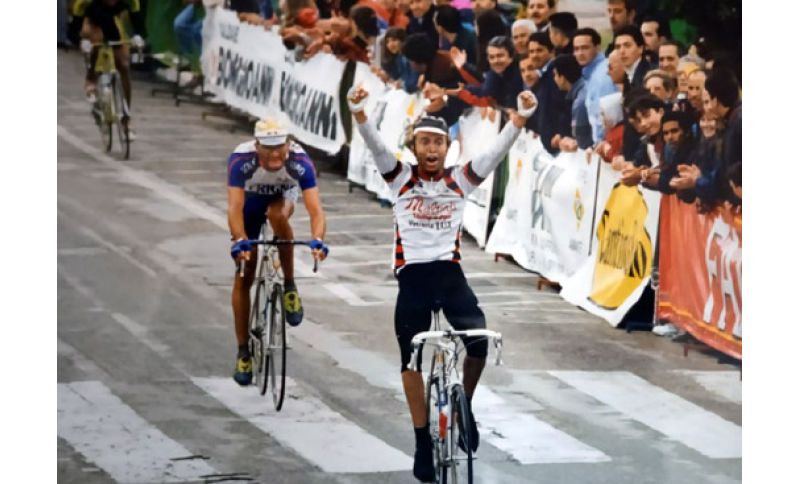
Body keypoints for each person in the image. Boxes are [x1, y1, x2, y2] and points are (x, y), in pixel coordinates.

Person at [347, 84, 538, 483]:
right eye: (424, 142)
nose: (431, 149)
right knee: (410, 358)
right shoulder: (399, 177)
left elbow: (495, 153)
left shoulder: (460, 180)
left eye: (438, 143)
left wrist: (519, 119)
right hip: (413, 277)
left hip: (449, 275)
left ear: (448, 148)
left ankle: (464, 405)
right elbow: (376, 145)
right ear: (414, 147)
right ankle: (422, 441)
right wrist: (359, 113)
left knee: (478, 341)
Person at [227, 119, 329, 386]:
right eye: (268, 147)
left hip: (282, 197)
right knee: (245, 274)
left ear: (289, 144)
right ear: (256, 146)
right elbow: (234, 208)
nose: (274, 154)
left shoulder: (299, 162)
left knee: (277, 215)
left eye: (279, 147)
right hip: (250, 203)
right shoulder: (241, 160)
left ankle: (290, 286)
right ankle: (243, 352)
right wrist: (240, 239)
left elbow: (316, 210)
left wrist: (318, 240)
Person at [80, 0, 145, 136]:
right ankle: (91, 79)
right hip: (94, 23)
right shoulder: (89, 3)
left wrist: (137, 36)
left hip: (112, 25)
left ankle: (126, 119)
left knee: (124, 66)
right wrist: (84, 41)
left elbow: (136, 20)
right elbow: (81, 21)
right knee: (95, 39)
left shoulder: (130, 2)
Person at [444, 36, 523, 109]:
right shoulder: (493, 73)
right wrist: (464, 66)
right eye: (492, 57)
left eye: (500, 56)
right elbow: (484, 85)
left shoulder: (520, 73)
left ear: (511, 56)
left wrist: (463, 89)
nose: (496, 61)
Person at [573, 27, 616, 144]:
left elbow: (604, 117)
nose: (580, 53)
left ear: (597, 48)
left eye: (585, 48)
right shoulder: (592, 73)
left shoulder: (603, 75)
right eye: (576, 49)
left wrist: (600, 144)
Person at [551, 54, 591, 150]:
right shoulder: (587, 87)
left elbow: (581, 142)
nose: (554, 79)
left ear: (562, 78)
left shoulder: (579, 104)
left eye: (555, 75)